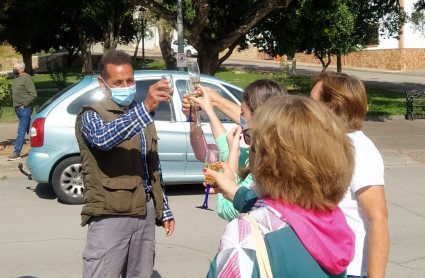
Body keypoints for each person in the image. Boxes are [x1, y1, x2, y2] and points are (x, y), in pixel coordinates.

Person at [212, 72, 389, 278]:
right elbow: (286, 212)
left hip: (349, 267)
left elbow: (378, 217)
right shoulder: (323, 143)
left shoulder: (359, 149)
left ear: (331, 107)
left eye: (312, 101)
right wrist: (234, 189)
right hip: (325, 253)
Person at [205, 95, 356, 277]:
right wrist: (235, 191)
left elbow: (274, 219)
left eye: (251, 137)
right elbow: (285, 214)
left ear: (268, 157)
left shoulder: (244, 235)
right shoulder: (333, 223)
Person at [74, 50, 175, 278]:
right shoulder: (91, 115)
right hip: (110, 215)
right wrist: (145, 109)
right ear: (103, 83)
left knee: (141, 274)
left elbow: (152, 167)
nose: (126, 86)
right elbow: (104, 139)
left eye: (130, 81)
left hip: (144, 213)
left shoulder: (141, 115)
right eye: (118, 82)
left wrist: (163, 209)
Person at [182, 80, 288, 220]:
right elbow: (214, 148)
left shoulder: (264, 166)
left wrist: (232, 154)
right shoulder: (275, 151)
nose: (240, 118)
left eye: (242, 112)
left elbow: (225, 208)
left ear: (259, 115)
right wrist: (196, 118)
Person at [8, 61, 37, 161]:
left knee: (21, 131)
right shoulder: (16, 78)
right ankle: (37, 148)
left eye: (15, 67)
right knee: (29, 131)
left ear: (22, 69)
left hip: (24, 109)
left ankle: (17, 153)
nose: (13, 69)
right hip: (18, 109)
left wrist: (24, 105)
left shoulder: (26, 78)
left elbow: (33, 94)